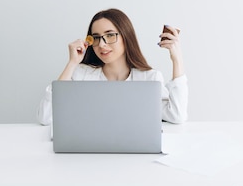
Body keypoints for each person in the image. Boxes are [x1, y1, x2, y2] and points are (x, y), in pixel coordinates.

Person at [37, 8, 188, 125]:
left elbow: (176, 115)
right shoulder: (81, 74)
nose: (102, 44)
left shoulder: (149, 78)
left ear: (125, 37)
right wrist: (72, 63)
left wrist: (177, 59)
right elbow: (45, 116)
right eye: (96, 38)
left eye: (110, 35)